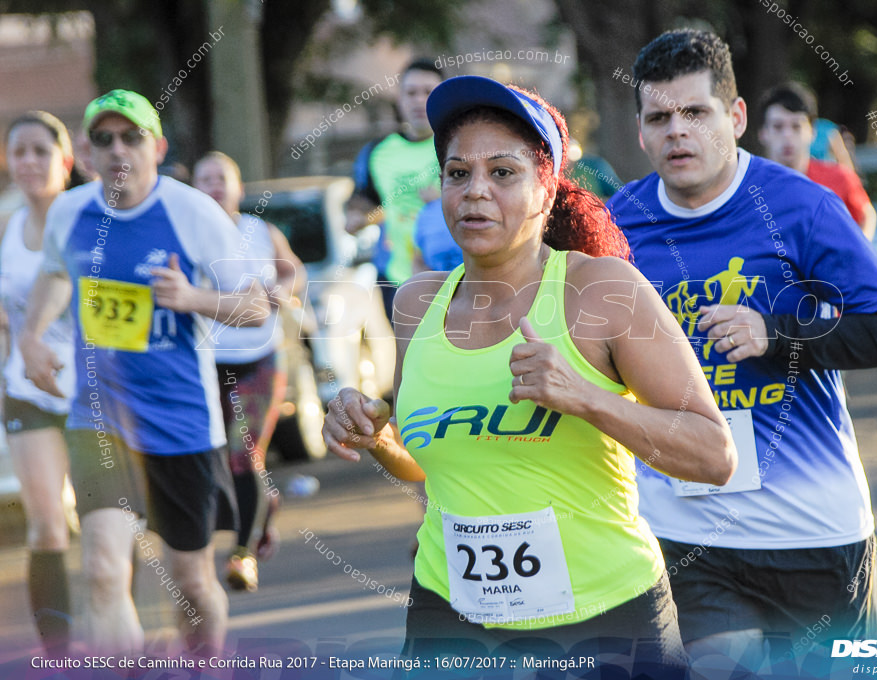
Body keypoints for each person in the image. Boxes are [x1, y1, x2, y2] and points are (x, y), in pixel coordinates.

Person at [323, 75, 737, 676]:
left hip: (603, 624)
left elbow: (713, 455)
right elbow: (429, 461)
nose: (475, 192)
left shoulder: (603, 291)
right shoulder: (416, 304)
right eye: (458, 173)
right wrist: (376, 435)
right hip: (450, 618)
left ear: (546, 189)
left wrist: (585, 397)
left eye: (503, 172)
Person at [608, 29, 877, 673]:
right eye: (659, 117)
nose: (677, 132)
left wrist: (775, 334)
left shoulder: (801, 208)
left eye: (696, 113)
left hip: (811, 528)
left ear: (737, 117)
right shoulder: (618, 224)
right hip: (686, 533)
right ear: (640, 130)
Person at [19, 90, 268, 655]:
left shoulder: (192, 214)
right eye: (103, 140)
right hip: (99, 419)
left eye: (131, 137)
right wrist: (32, 337)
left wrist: (192, 298)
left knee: (192, 584)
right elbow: (56, 273)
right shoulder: (70, 211)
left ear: (156, 147)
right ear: (86, 153)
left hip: (182, 425)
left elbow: (255, 306)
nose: (117, 150)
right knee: (105, 571)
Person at [193, 151, 306, 591]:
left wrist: (283, 287)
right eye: (206, 178)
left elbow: (292, 269)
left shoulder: (261, 230)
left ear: (239, 187)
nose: (215, 185)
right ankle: (263, 507)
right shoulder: (189, 235)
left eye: (223, 177)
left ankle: (242, 555)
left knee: (244, 453)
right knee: (214, 456)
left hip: (259, 358)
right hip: (206, 363)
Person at [1, 111, 82, 657]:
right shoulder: (7, 227)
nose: (28, 162)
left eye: (40, 151)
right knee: (47, 528)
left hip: (93, 395)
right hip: (26, 392)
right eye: (18, 152)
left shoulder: (89, 219)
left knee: (107, 532)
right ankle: (60, 657)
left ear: (66, 160)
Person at [346, 59, 443, 322]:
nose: (418, 100)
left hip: (453, 275)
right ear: (399, 99)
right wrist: (356, 217)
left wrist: (444, 202)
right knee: (409, 359)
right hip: (397, 278)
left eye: (428, 92)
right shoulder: (378, 152)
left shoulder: (457, 144)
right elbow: (364, 201)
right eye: (411, 92)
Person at [758, 82, 876, 239]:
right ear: (763, 133)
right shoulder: (750, 187)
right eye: (778, 126)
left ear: (812, 131)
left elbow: (866, 215)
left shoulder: (839, 177)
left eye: (796, 126)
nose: (787, 135)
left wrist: (857, 258)